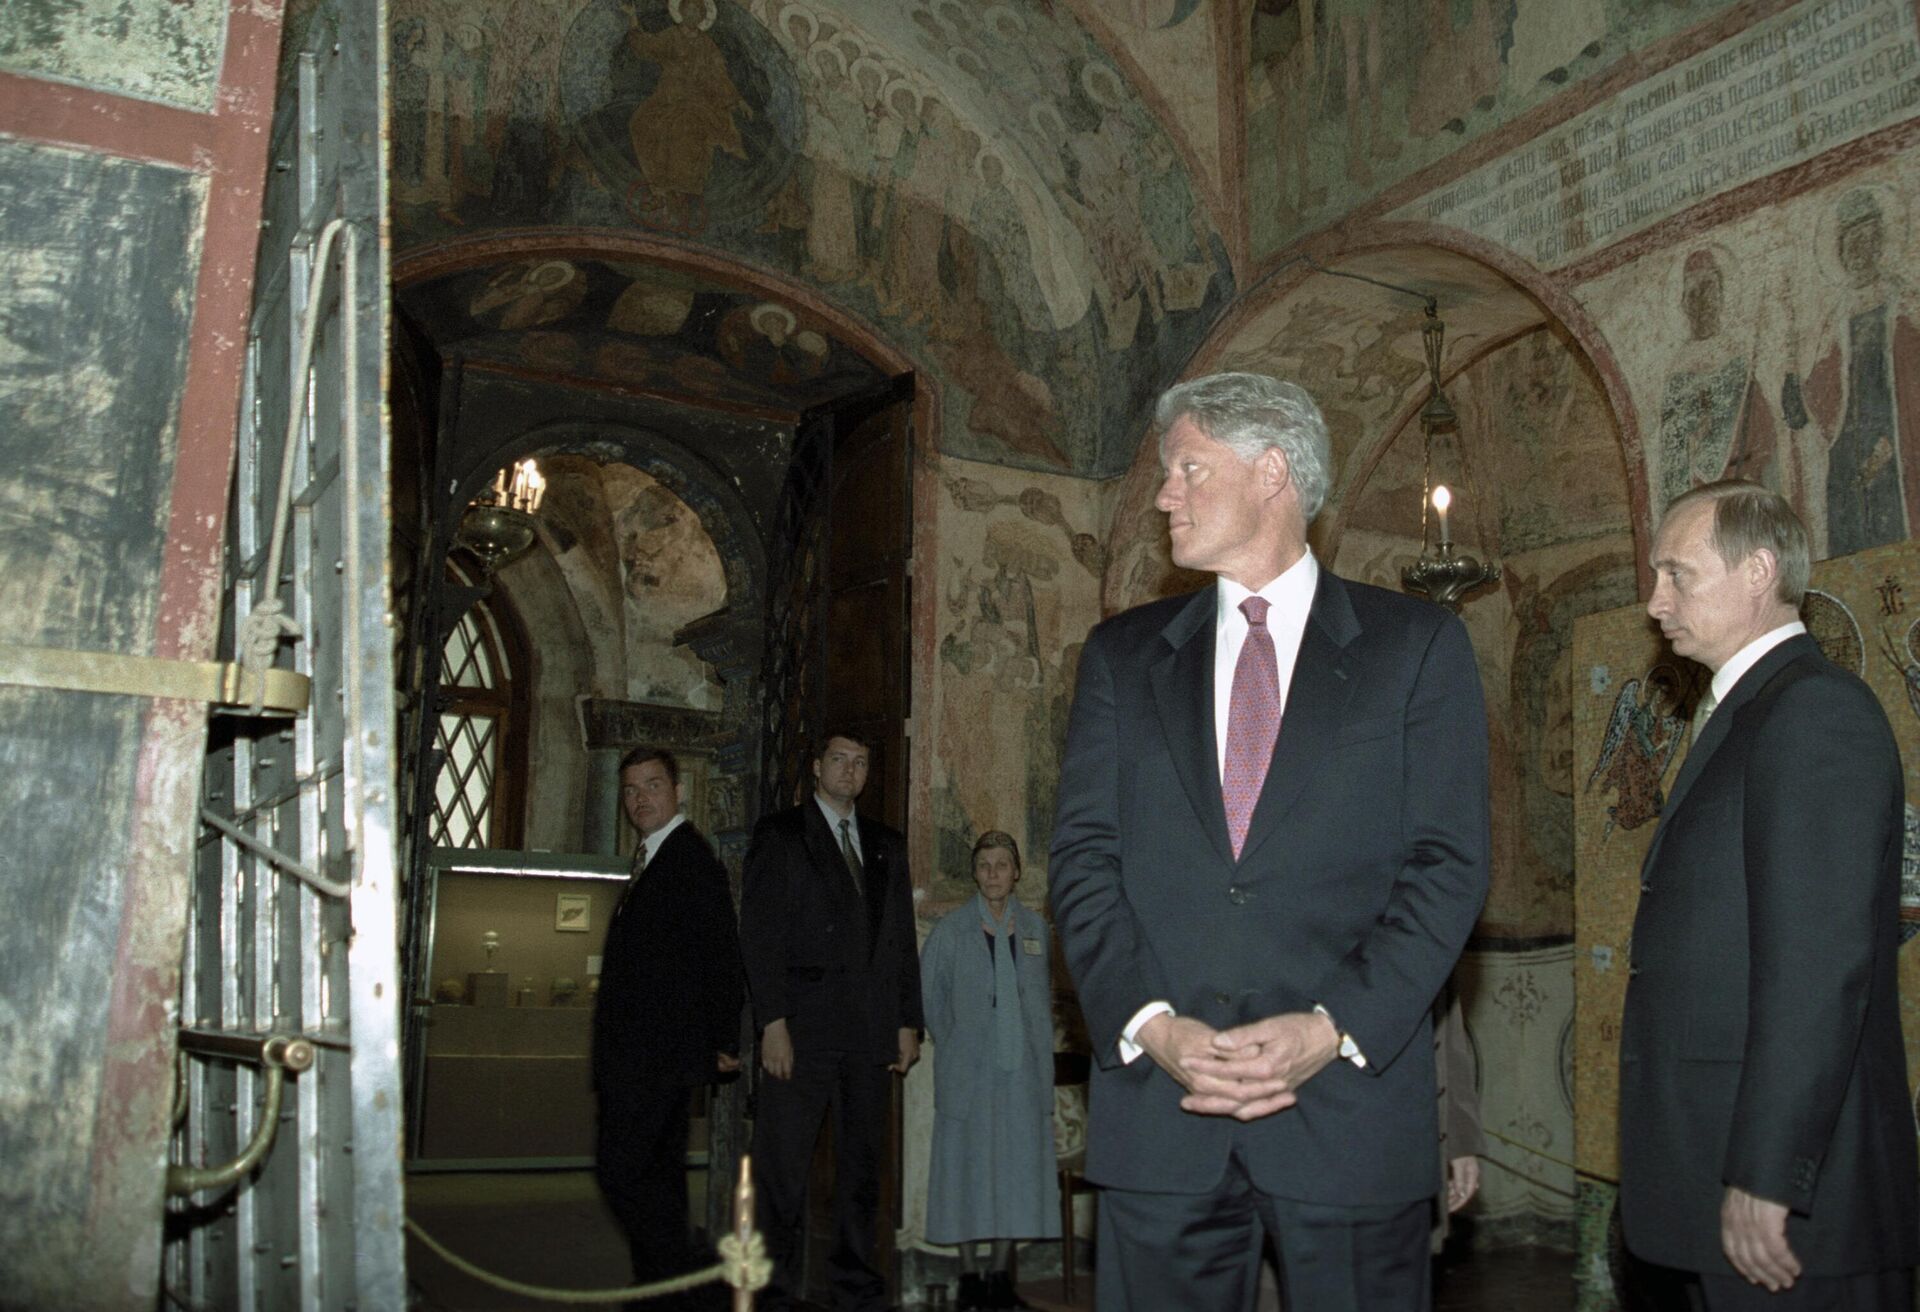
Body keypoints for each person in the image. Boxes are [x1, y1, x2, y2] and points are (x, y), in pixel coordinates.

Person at [1049, 371, 1490, 1312]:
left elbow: (1447, 868)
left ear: (1272, 472)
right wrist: (1150, 1026)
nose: (1165, 494)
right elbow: (1084, 865)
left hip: (1349, 1118)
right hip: (1161, 1118)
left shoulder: (1413, 649)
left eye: (1188, 469)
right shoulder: (1123, 659)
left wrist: (1332, 1029)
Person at [1620, 479, 1918, 1309]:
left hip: (1790, 1214)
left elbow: (1819, 970)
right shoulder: (1746, 712)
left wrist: (1767, 1174)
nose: (1654, 601)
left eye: (1677, 574)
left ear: (1758, 571)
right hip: (1712, 1178)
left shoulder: (1814, 712)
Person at [740, 729, 924, 1312]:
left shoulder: (885, 845)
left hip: (869, 1032)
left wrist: (908, 1022)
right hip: (802, 1031)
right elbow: (760, 937)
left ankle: (855, 1286)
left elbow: (899, 942)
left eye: (861, 762)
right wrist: (772, 1021)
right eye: (840, 760)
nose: (850, 770)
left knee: (862, 1171)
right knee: (781, 1170)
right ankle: (769, 1291)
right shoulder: (781, 835)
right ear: (817, 768)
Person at [591, 747, 745, 1311]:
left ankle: (677, 1283)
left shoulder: (688, 858)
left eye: (652, 786)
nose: (639, 800)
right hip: (639, 1057)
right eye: (631, 789)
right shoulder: (654, 856)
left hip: (656, 1059)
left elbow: (720, 953)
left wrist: (723, 1040)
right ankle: (662, 1285)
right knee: (653, 1179)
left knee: (626, 1172)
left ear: (677, 790)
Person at [921, 831, 1062, 1311]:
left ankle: (1000, 1276)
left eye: (1003, 865)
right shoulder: (952, 931)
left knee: (1013, 1170)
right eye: (985, 866)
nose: (994, 874)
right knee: (965, 1168)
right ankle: (968, 1279)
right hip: (970, 1069)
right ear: (975, 872)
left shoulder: (1037, 931)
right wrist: (959, 1040)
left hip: (1022, 1069)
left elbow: (1046, 1000)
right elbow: (929, 999)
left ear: (1017, 872)